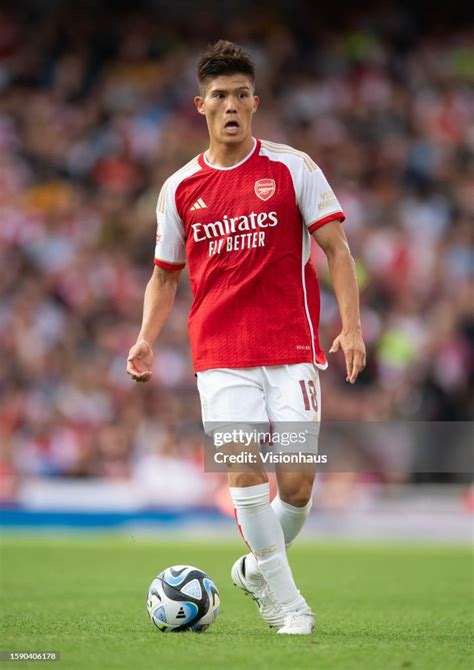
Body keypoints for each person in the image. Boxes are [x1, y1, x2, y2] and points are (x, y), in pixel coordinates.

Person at [127, 40, 366, 635]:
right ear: (199, 105)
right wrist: (145, 339)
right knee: (242, 473)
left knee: (299, 485)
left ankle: (255, 570)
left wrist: (353, 325)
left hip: (292, 349)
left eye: (239, 95)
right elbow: (163, 276)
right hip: (220, 354)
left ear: (254, 103)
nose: (229, 105)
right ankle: (290, 607)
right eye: (218, 96)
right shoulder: (179, 189)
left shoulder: (293, 167)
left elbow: (337, 251)